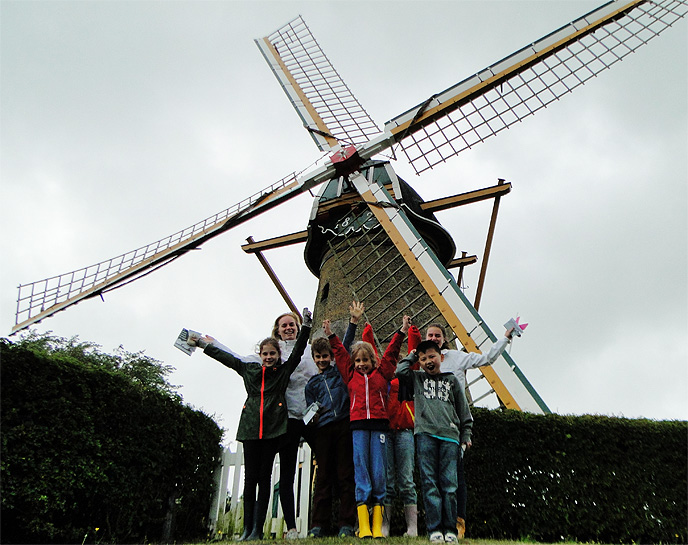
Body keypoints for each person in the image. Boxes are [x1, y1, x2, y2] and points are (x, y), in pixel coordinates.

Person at [188, 309, 313, 541]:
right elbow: (229, 359)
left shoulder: (283, 371)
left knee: (264, 478)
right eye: (265, 354)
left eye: (272, 354)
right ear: (260, 354)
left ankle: (256, 529)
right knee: (249, 480)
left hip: (273, 429)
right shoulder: (250, 370)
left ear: (278, 355)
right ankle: (247, 529)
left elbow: (296, 354)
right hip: (250, 427)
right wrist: (204, 345)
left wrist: (306, 327)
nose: (268, 357)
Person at [424, 323, 514, 538]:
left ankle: (458, 523)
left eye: (438, 335)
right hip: (431, 425)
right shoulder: (422, 362)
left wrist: (505, 339)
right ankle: (437, 526)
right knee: (432, 478)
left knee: (455, 477)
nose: (434, 338)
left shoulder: (457, 357)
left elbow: (486, 359)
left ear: (444, 339)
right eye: (430, 335)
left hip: (454, 426)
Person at [330, 315, 410, 539]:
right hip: (358, 426)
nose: (362, 364)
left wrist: (401, 332)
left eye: (366, 360)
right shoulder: (350, 376)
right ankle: (363, 524)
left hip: (379, 426)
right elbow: (340, 355)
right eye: (358, 361)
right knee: (361, 470)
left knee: (378, 472)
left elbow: (393, 354)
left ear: (373, 361)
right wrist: (331, 336)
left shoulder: (382, 374)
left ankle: (378, 525)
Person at [395, 340, 473, 544]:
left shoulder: (452, 380)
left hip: (449, 436)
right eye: (423, 359)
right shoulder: (417, 379)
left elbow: (464, 411)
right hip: (425, 435)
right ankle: (434, 529)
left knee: (449, 485)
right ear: (419, 362)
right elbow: (400, 371)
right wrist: (412, 356)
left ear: (441, 358)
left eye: (432, 357)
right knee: (430, 483)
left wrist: (466, 434)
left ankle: (450, 530)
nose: (428, 361)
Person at [303, 321, 356, 538]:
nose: (322, 360)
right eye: (318, 357)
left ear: (331, 357)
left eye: (326, 356)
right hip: (323, 429)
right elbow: (309, 411)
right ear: (314, 359)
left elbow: (344, 345)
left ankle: (346, 524)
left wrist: (351, 323)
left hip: (343, 424)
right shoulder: (312, 384)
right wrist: (313, 417)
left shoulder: (339, 374)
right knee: (323, 477)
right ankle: (319, 525)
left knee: (345, 475)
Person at [271, 312, 319, 539]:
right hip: (288, 415)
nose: (289, 328)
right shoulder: (275, 351)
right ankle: (291, 526)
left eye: (292, 324)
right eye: (284, 325)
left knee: (326, 465)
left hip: (311, 414)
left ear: (298, 328)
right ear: (278, 330)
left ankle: (321, 524)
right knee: (288, 471)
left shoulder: (309, 349)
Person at [380, 324, 422, 537]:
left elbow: (415, 353)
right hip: (387, 430)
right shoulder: (385, 376)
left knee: (406, 479)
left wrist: (413, 333)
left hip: (405, 430)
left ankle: (412, 527)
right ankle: (385, 526)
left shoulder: (409, 376)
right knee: (387, 480)